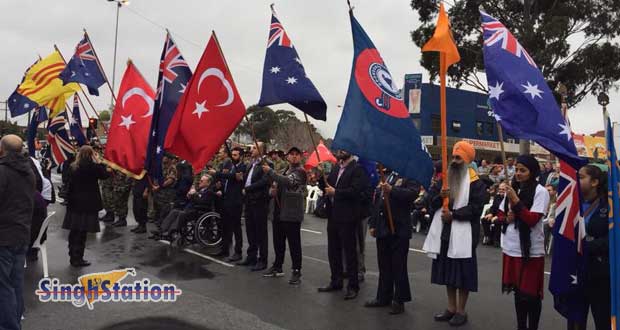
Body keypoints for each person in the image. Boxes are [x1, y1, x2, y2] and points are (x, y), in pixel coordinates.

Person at [422, 141, 487, 326]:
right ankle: (450, 308)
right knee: (448, 273)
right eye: (454, 157)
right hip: (444, 233)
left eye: (459, 158)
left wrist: (454, 215)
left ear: (467, 160)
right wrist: (440, 196)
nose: (454, 161)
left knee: (462, 274)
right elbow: (430, 202)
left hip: (464, 235)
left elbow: (476, 208)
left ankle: (461, 310)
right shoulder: (444, 179)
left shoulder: (477, 184)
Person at [501, 155, 549, 330]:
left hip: (531, 251)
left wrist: (516, 201)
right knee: (518, 292)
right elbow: (500, 215)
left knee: (530, 295)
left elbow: (532, 219)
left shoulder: (540, 192)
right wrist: (507, 217)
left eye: (523, 170)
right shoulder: (512, 188)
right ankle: (521, 326)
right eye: (517, 169)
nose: (519, 174)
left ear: (532, 172)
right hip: (512, 247)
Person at [364, 169, 417, 315]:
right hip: (383, 227)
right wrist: (373, 223)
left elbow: (412, 194)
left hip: (399, 228)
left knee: (398, 266)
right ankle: (383, 297)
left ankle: (399, 300)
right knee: (384, 264)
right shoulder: (389, 175)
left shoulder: (410, 175)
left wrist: (392, 189)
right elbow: (379, 200)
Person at [318, 150, 369, 300]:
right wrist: (322, 177)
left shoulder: (358, 169)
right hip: (333, 215)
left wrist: (336, 192)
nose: (341, 151)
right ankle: (336, 280)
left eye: (344, 148)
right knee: (333, 250)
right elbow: (326, 187)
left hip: (348, 216)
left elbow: (355, 191)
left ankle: (353, 286)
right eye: (340, 148)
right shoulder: (335, 168)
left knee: (350, 252)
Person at [567, 165, 610, 330]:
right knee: (575, 321)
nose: (577, 179)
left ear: (595, 182)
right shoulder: (572, 204)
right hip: (576, 271)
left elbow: (611, 240)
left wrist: (585, 247)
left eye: (582, 176)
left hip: (600, 274)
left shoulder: (609, 207)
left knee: (603, 321)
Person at [0, 135, 36, 330]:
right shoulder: (28, 171)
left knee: (3, 287)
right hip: (21, 233)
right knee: (15, 284)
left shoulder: (3, 172)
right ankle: (15, 322)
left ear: (2, 150)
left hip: (4, 236)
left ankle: (9, 325)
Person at [262, 147, 307, 285]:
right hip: (279, 211)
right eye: (291, 154)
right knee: (278, 241)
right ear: (287, 157)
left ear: (300, 157)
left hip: (291, 213)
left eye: (296, 155)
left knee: (294, 244)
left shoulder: (300, 171)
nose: (294, 157)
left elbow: (288, 182)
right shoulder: (283, 170)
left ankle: (296, 271)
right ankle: (277, 266)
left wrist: (270, 171)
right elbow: (276, 186)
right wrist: (272, 191)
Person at [62, 145, 110, 267]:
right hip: (88, 204)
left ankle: (73, 255)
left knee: (74, 232)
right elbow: (105, 175)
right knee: (81, 233)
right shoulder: (93, 167)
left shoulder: (73, 167)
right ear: (91, 155)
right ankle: (78, 258)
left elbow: (67, 181)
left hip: (74, 203)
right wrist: (99, 161)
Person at [238, 142, 272, 271]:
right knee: (250, 230)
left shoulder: (266, 164)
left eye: (254, 147)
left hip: (259, 201)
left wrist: (248, 188)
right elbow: (247, 178)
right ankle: (251, 256)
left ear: (261, 150)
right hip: (248, 200)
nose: (251, 149)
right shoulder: (250, 163)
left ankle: (262, 260)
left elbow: (264, 181)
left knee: (261, 232)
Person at [211, 147, 247, 262]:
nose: (233, 157)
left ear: (241, 156)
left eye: (235, 155)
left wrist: (218, 173)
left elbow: (234, 177)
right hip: (226, 199)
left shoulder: (242, 167)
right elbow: (227, 179)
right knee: (225, 226)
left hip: (236, 201)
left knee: (236, 227)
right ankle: (224, 248)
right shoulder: (230, 166)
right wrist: (220, 185)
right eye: (232, 155)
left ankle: (238, 252)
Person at [151, 153, 177, 236]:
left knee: (165, 211)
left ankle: (165, 231)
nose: (163, 158)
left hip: (167, 193)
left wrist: (159, 186)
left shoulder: (172, 168)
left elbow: (170, 180)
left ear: (169, 159)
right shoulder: (162, 166)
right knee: (158, 211)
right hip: (158, 193)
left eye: (164, 157)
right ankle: (159, 229)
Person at [543, 184, 557, 253]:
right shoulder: (543, 199)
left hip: (553, 221)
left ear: (554, 191)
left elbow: (551, 217)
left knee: (545, 226)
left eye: (549, 190)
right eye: (546, 190)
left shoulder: (557, 202)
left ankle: (544, 247)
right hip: (545, 219)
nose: (547, 192)